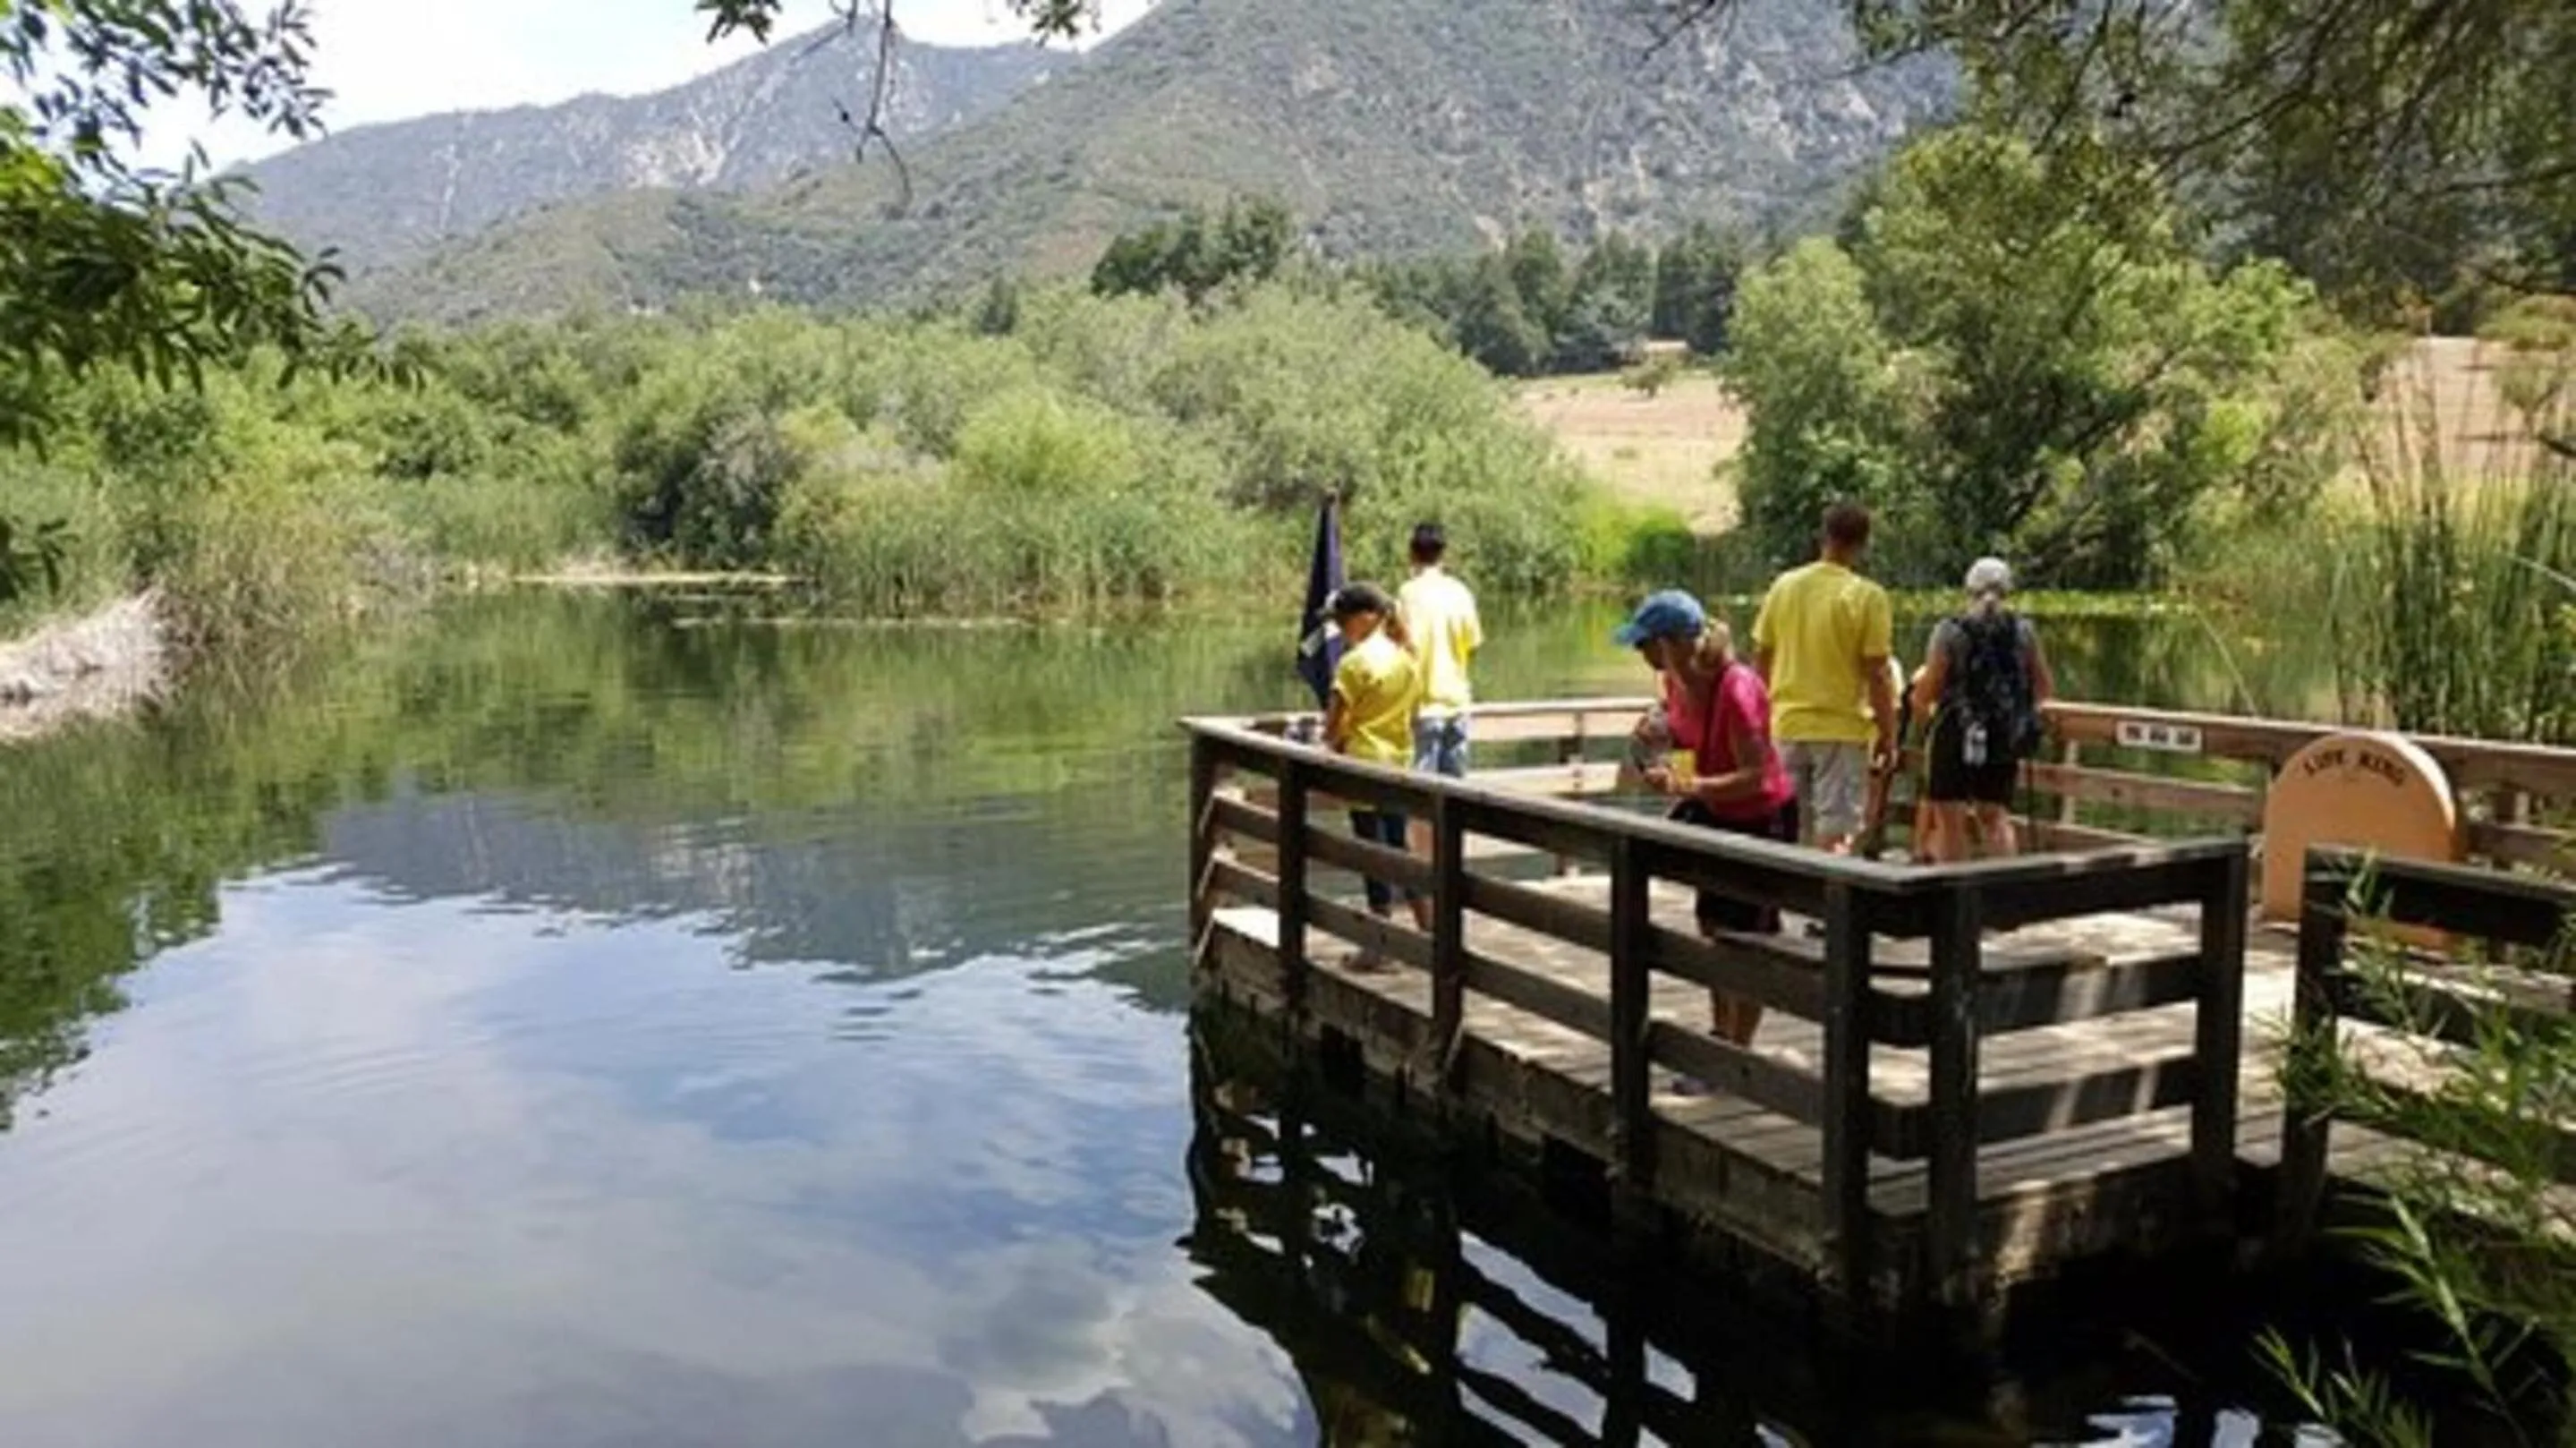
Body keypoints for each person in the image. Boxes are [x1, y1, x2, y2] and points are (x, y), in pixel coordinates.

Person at [1614, 589, 1795, 1051]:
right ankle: (1720, 1040)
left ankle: (1740, 1052)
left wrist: (1690, 787)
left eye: (1645, 644)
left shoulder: (1737, 687)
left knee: (1748, 941)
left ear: (1673, 641)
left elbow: (1756, 775)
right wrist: (1662, 732)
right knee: (1713, 928)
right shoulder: (1675, 680)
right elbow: (1687, 731)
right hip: (1717, 813)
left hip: (1761, 817)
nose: (1640, 653)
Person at [1751, 501, 1897, 855]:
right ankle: (1826, 908)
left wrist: (1762, 716)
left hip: (1786, 725)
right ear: (1863, 544)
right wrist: (1888, 734)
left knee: (1787, 826)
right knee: (1835, 833)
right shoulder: (1867, 596)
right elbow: (1877, 673)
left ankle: (1787, 902)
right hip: (1842, 730)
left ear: (1823, 536)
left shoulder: (1784, 586)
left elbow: (1762, 657)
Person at [1911, 557, 2054, 861]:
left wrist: (1920, 705)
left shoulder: (1949, 631)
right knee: (1995, 816)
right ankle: (2003, 895)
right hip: (2004, 733)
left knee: (1950, 818)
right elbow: (2044, 687)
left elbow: (1929, 690)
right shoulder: (2023, 631)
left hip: (1956, 730)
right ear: (2007, 591)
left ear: (1968, 590)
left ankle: (1956, 897)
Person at [1321, 582, 1432, 963]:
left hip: (1363, 766)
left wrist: (1328, 746)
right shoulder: (1407, 658)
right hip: (1399, 764)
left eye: (1341, 619)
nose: (1338, 627)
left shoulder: (1354, 663)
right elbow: (1413, 717)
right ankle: (1428, 932)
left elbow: (1334, 725)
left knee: (1371, 853)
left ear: (1365, 617)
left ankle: (1378, 947)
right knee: (1399, 848)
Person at [1396, 522, 1483, 782]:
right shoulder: (1460, 592)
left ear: (1412, 552)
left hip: (1422, 706)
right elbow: (1473, 644)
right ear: (1443, 554)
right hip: (1457, 703)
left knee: (1421, 797)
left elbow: (1399, 645)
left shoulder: (1407, 594)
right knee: (1456, 795)